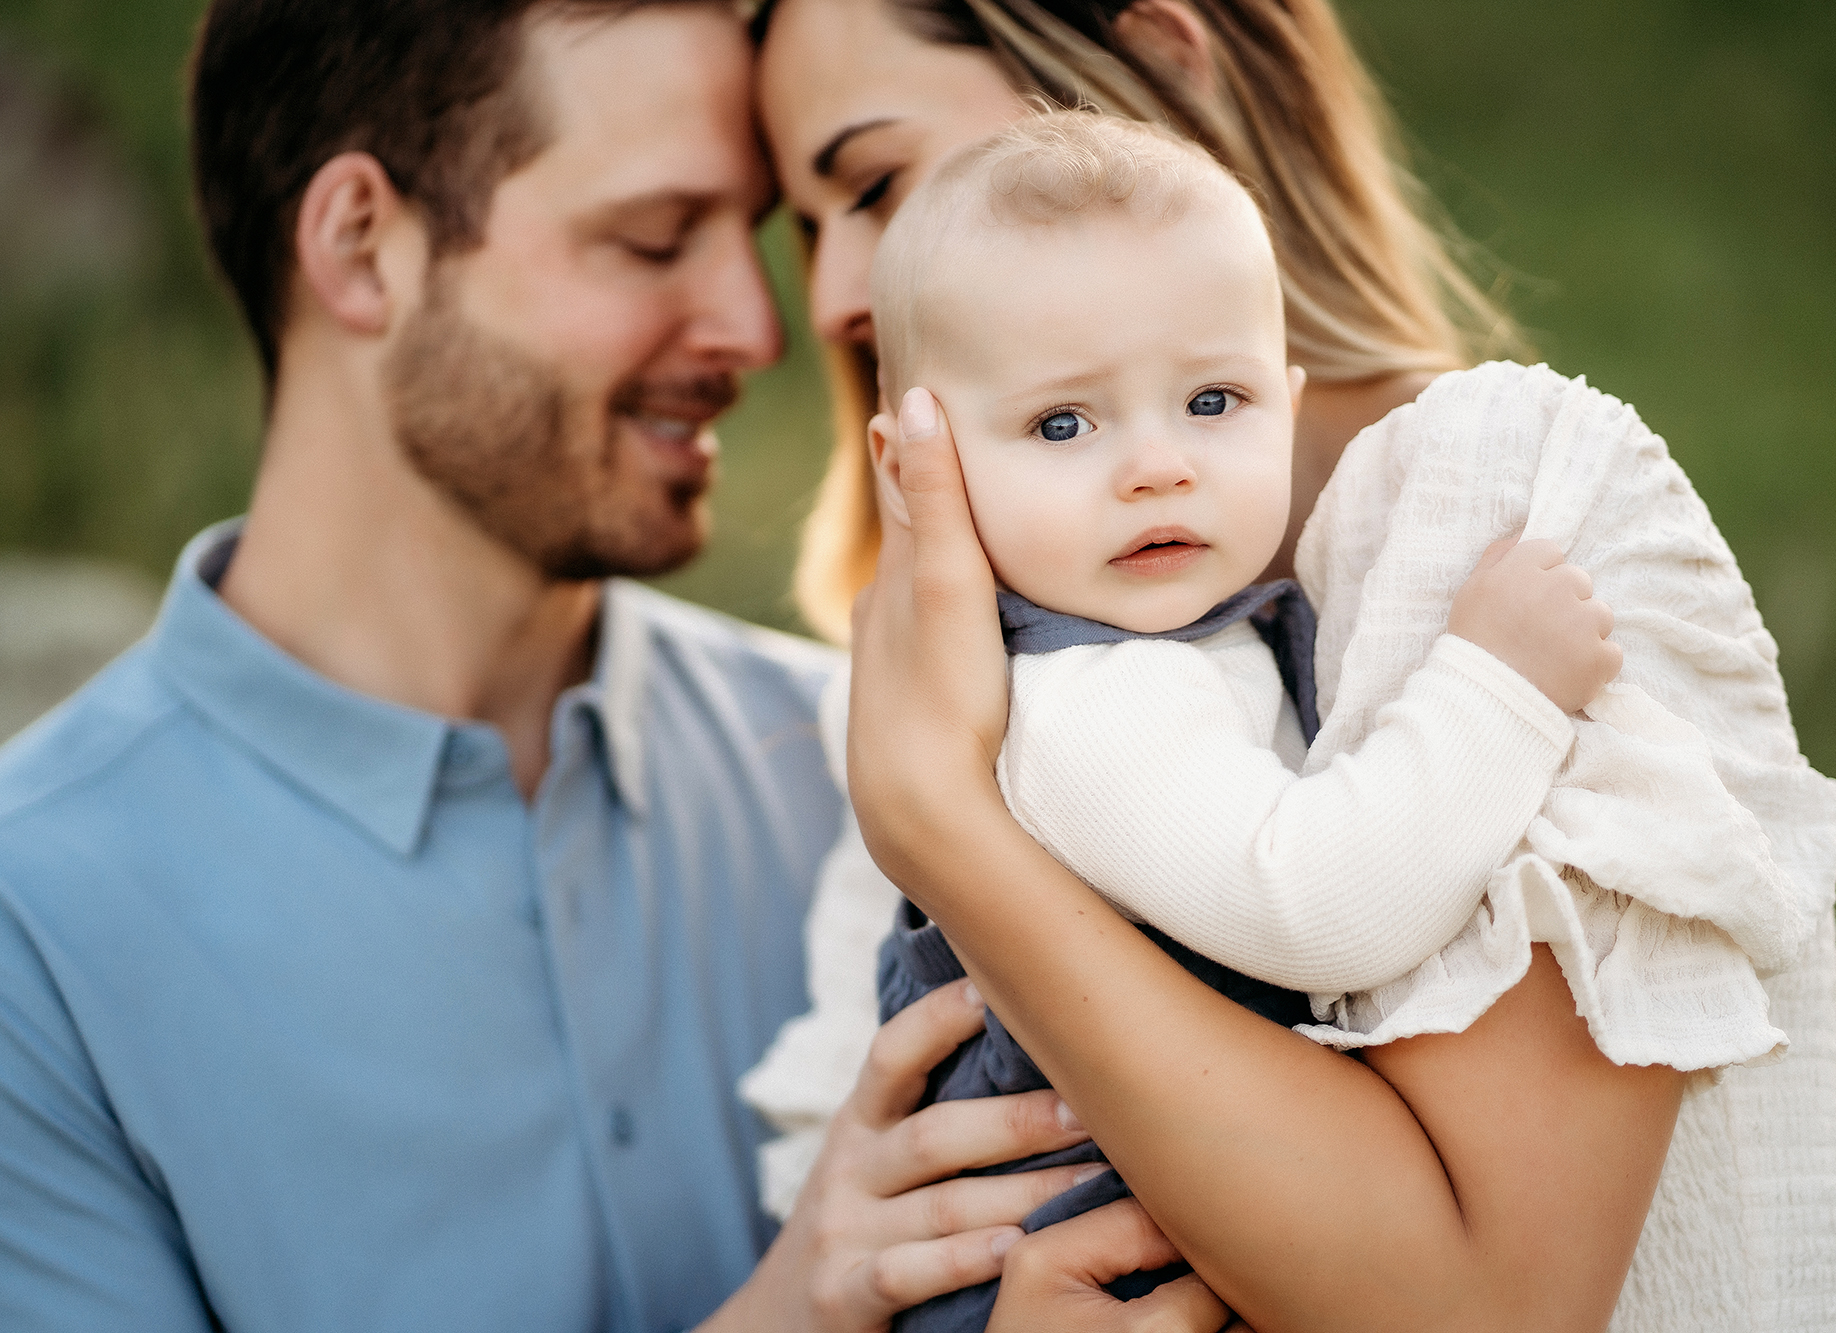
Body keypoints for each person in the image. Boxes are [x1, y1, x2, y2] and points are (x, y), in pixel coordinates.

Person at [0, 2, 1228, 1330]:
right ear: (363, 245)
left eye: (756, 235)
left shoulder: (878, 764)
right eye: (653, 239)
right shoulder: (37, 939)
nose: (762, 330)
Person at [751, 0, 1836, 1327]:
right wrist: (1492, 689)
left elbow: (1485, 1299)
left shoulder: (1502, 503)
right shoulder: (1050, 687)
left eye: (873, 181)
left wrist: (942, 824)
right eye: (1062, 419)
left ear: (1150, 69)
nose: (821, 295)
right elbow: (1314, 893)